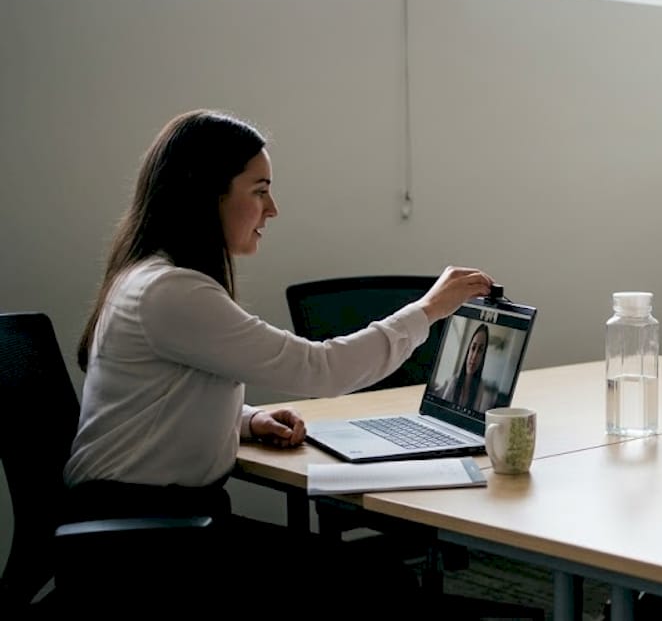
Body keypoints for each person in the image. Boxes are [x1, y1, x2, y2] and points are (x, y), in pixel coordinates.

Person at [63, 109, 496, 607]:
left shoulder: (149, 277)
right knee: (380, 584)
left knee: (369, 577)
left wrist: (247, 419)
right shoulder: (172, 291)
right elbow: (321, 368)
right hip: (145, 541)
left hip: (143, 522)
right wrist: (427, 310)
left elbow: (156, 396)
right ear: (208, 193)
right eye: (259, 189)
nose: (273, 209)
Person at [436, 323, 492, 409]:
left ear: (483, 356)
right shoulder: (453, 382)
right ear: (468, 351)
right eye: (473, 348)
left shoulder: (480, 389)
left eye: (480, 350)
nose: (474, 356)